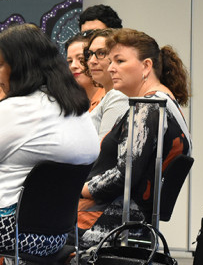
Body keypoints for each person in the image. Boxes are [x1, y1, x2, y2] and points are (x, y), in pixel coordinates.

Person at [0, 24, 99, 257]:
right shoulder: (77, 109)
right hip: (55, 236)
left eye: (0, 64)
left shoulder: (18, 108)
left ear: (20, 66)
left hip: (0, 229)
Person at [77, 28, 191, 250]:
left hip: (108, 224)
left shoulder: (146, 107)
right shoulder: (168, 103)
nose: (111, 68)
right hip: (129, 222)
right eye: (111, 61)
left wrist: (79, 189)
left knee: (29, 229)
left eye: (119, 61)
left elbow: (124, 174)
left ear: (146, 66)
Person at [85, 29, 130, 137]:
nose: (92, 61)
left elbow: (104, 150)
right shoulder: (108, 96)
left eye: (101, 53)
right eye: (90, 54)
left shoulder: (119, 96)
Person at [66, 30, 106, 111]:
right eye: (70, 61)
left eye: (81, 59)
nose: (73, 66)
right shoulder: (70, 102)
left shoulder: (109, 98)